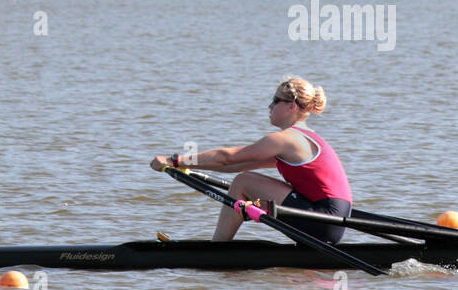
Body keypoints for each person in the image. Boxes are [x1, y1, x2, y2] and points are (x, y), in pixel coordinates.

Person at [150, 77, 352, 243]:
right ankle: (219, 246)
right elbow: (236, 165)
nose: (270, 105)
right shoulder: (305, 138)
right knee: (243, 178)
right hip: (331, 222)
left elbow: (227, 158)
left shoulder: (285, 140)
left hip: (324, 220)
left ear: (291, 106)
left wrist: (175, 160)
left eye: (275, 100)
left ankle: (216, 249)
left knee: (244, 181)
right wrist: (187, 166)